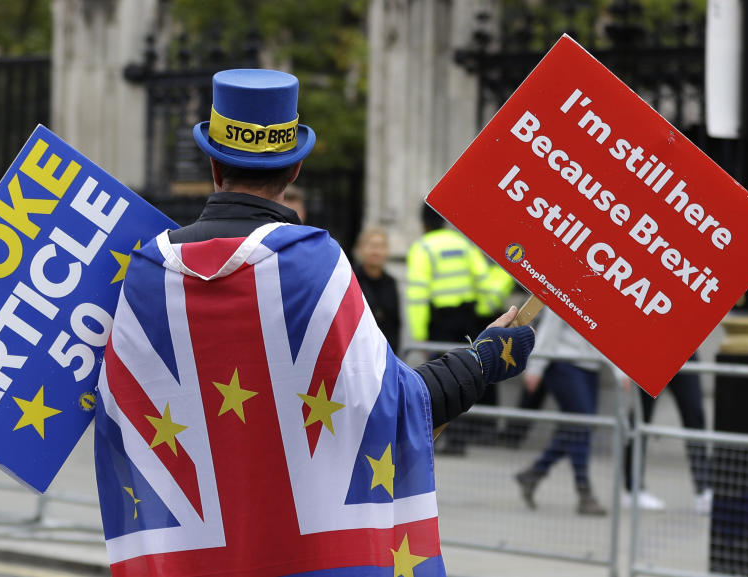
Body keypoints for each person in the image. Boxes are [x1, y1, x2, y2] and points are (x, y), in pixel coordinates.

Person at [95, 68, 535, 576]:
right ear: (295, 169)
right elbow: (393, 408)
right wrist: (484, 360)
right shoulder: (314, 263)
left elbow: (115, 417)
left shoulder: (145, 274)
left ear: (213, 164)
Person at [407, 205, 515, 454]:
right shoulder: (463, 245)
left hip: (439, 323)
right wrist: (487, 309)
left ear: (424, 224)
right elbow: (484, 283)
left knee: (441, 379)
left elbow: (417, 296)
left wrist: (420, 336)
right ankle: (459, 438)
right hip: (466, 319)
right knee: (464, 374)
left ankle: (439, 437)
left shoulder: (423, 248)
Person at [514, 309, 621, 516]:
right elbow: (549, 330)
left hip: (589, 366)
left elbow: (608, 335)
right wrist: (536, 367)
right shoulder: (570, 289)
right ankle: (584, 492)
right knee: (581, 425)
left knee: (580, 427)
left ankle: (534, 473)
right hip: (563, 363)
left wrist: (619, 370)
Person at [621, 353, 713, 513]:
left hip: (684, 349)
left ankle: (703, 489)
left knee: (694, 415)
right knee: (640, 417)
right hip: (651, 353)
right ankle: (633, 488)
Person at [352, 225, 401, 354]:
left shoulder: (391, 282)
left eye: (381, 247)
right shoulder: (351, 280)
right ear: (360, 249)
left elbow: (395, 323)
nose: (376, 251)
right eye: (372, 246)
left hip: (385, 352)